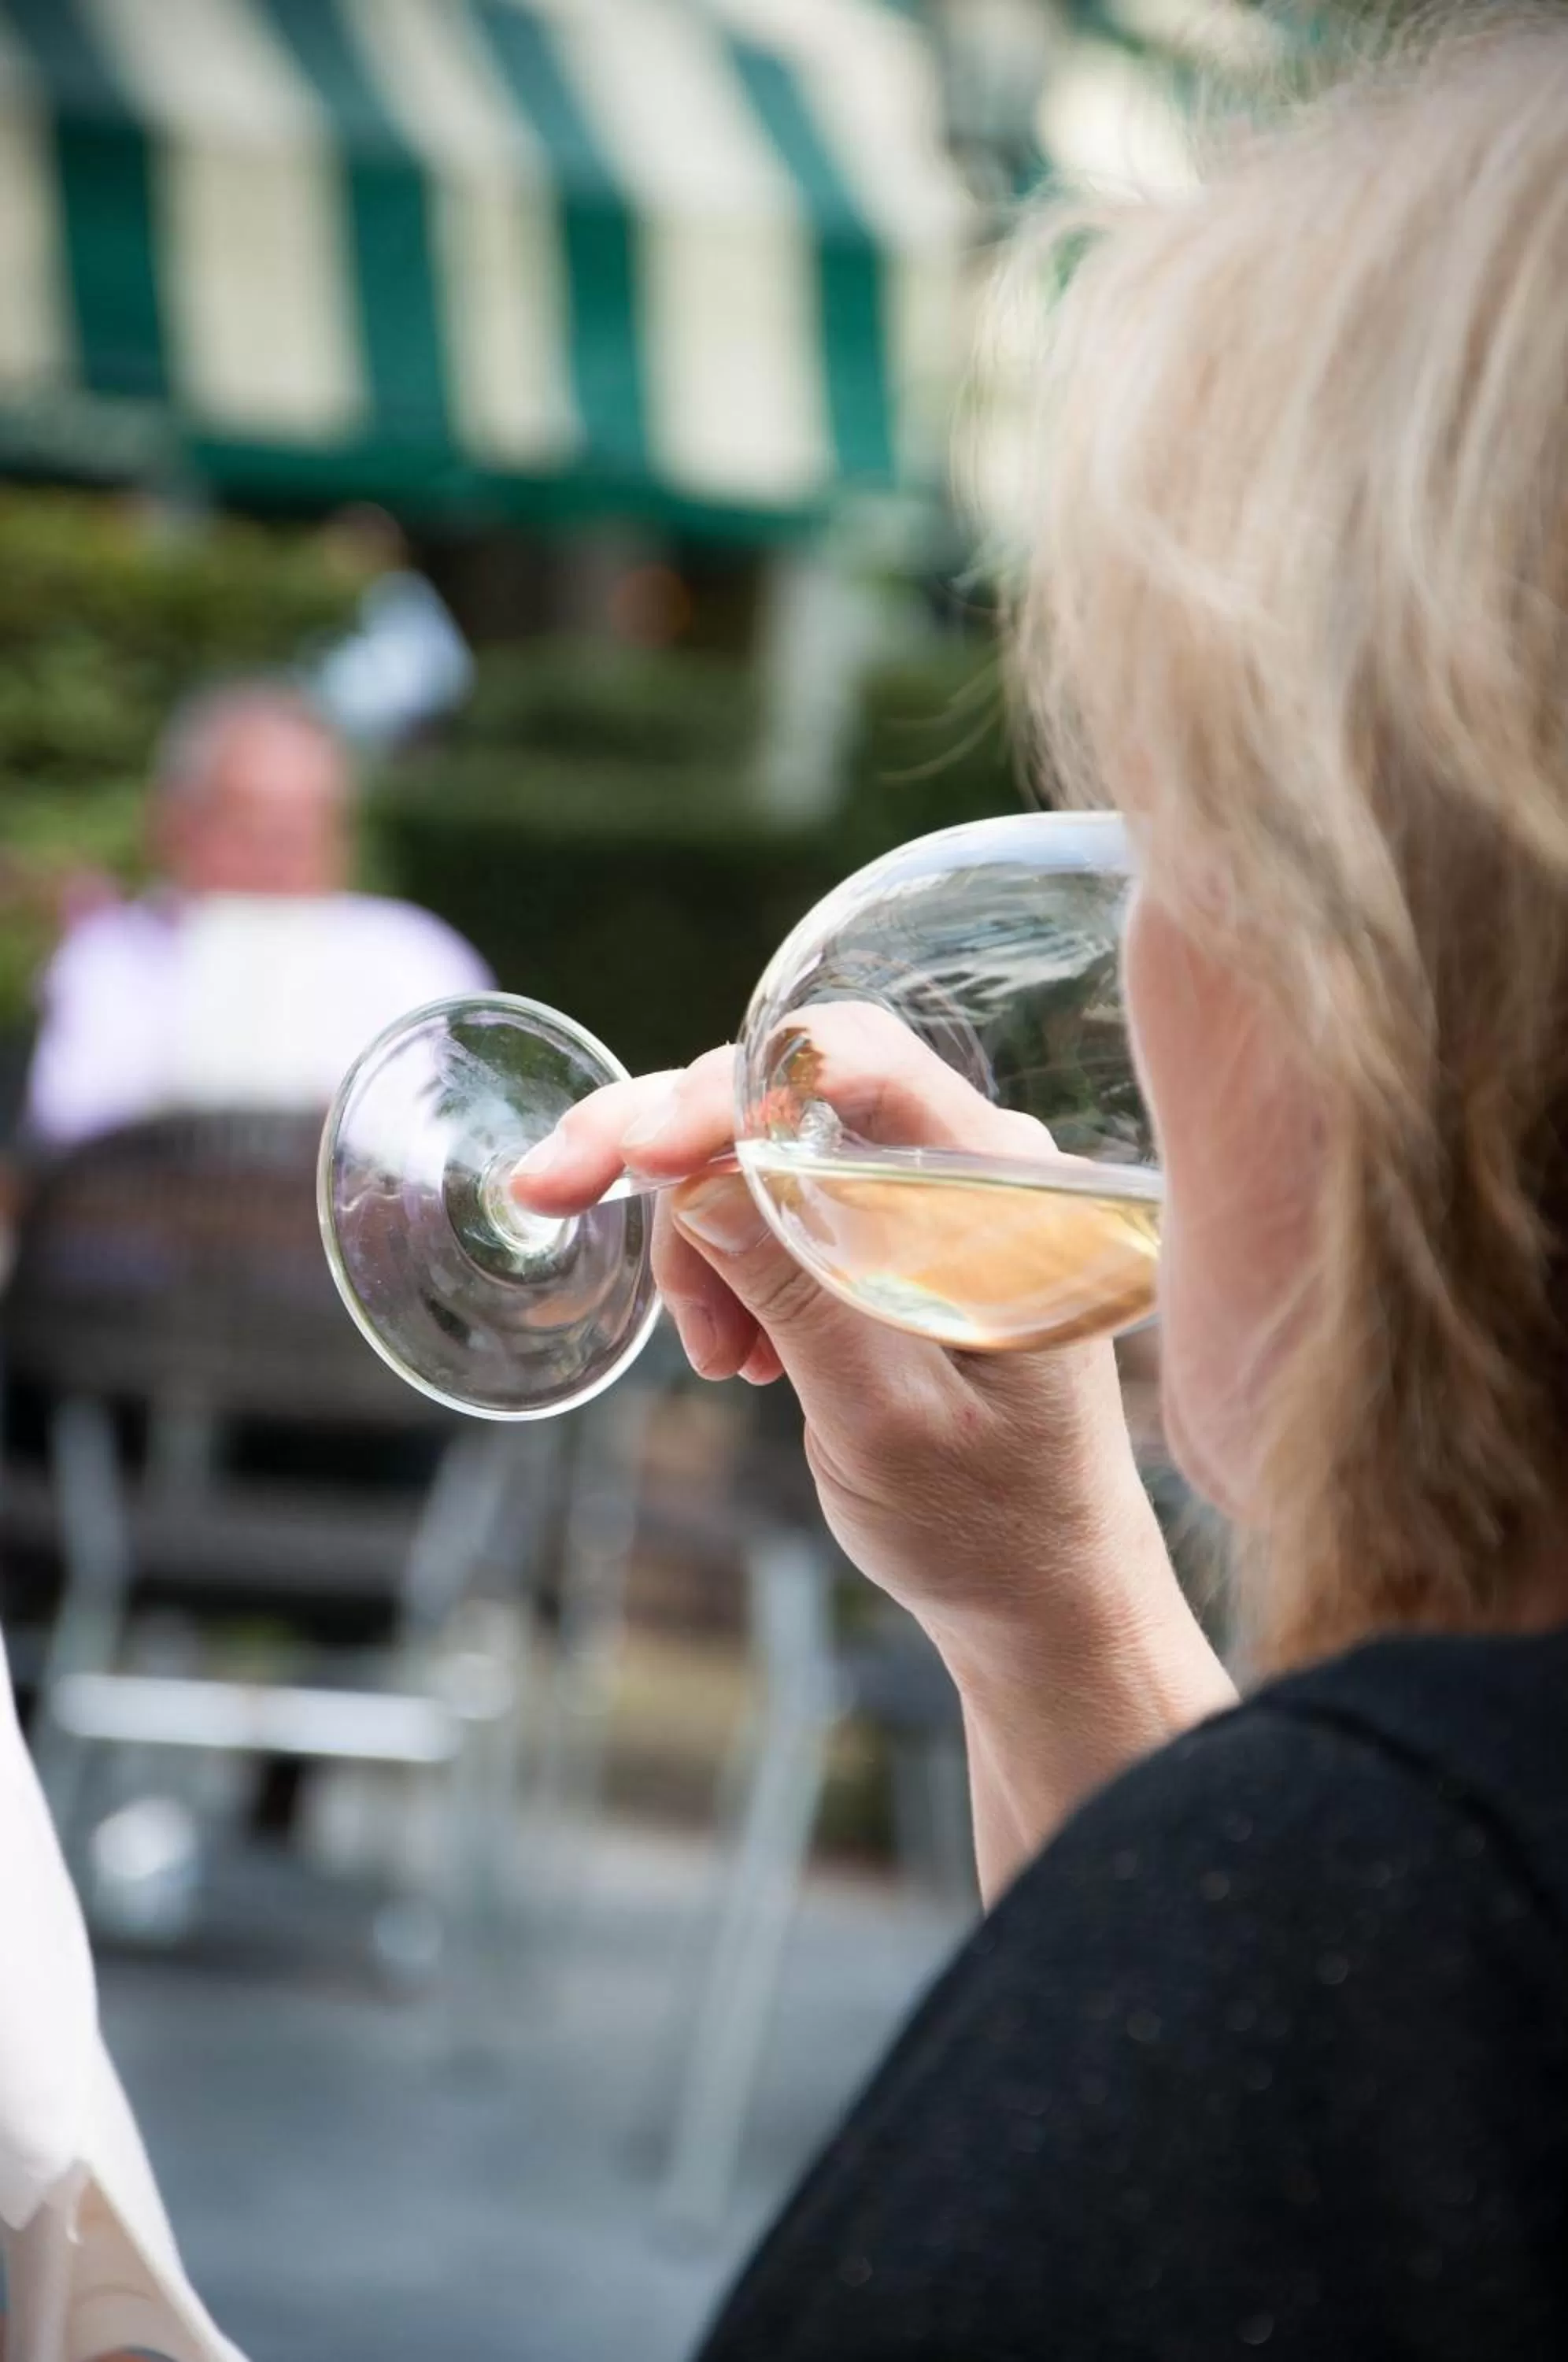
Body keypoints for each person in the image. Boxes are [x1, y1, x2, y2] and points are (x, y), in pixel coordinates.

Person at [513, 28, 1568, 2357]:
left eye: (1173, 819)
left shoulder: (1363, 1928)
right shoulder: (1369, 1940)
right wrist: (1052, 1607)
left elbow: (1306, 2073)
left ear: (1385, 951)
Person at [23, 681, 490, 1150]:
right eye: (252, 825)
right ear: (175, 824)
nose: (282, 855)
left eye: (310, 826)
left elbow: (460, 1146)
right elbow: (70, 1139)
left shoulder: (413, 956)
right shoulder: (114, 959)